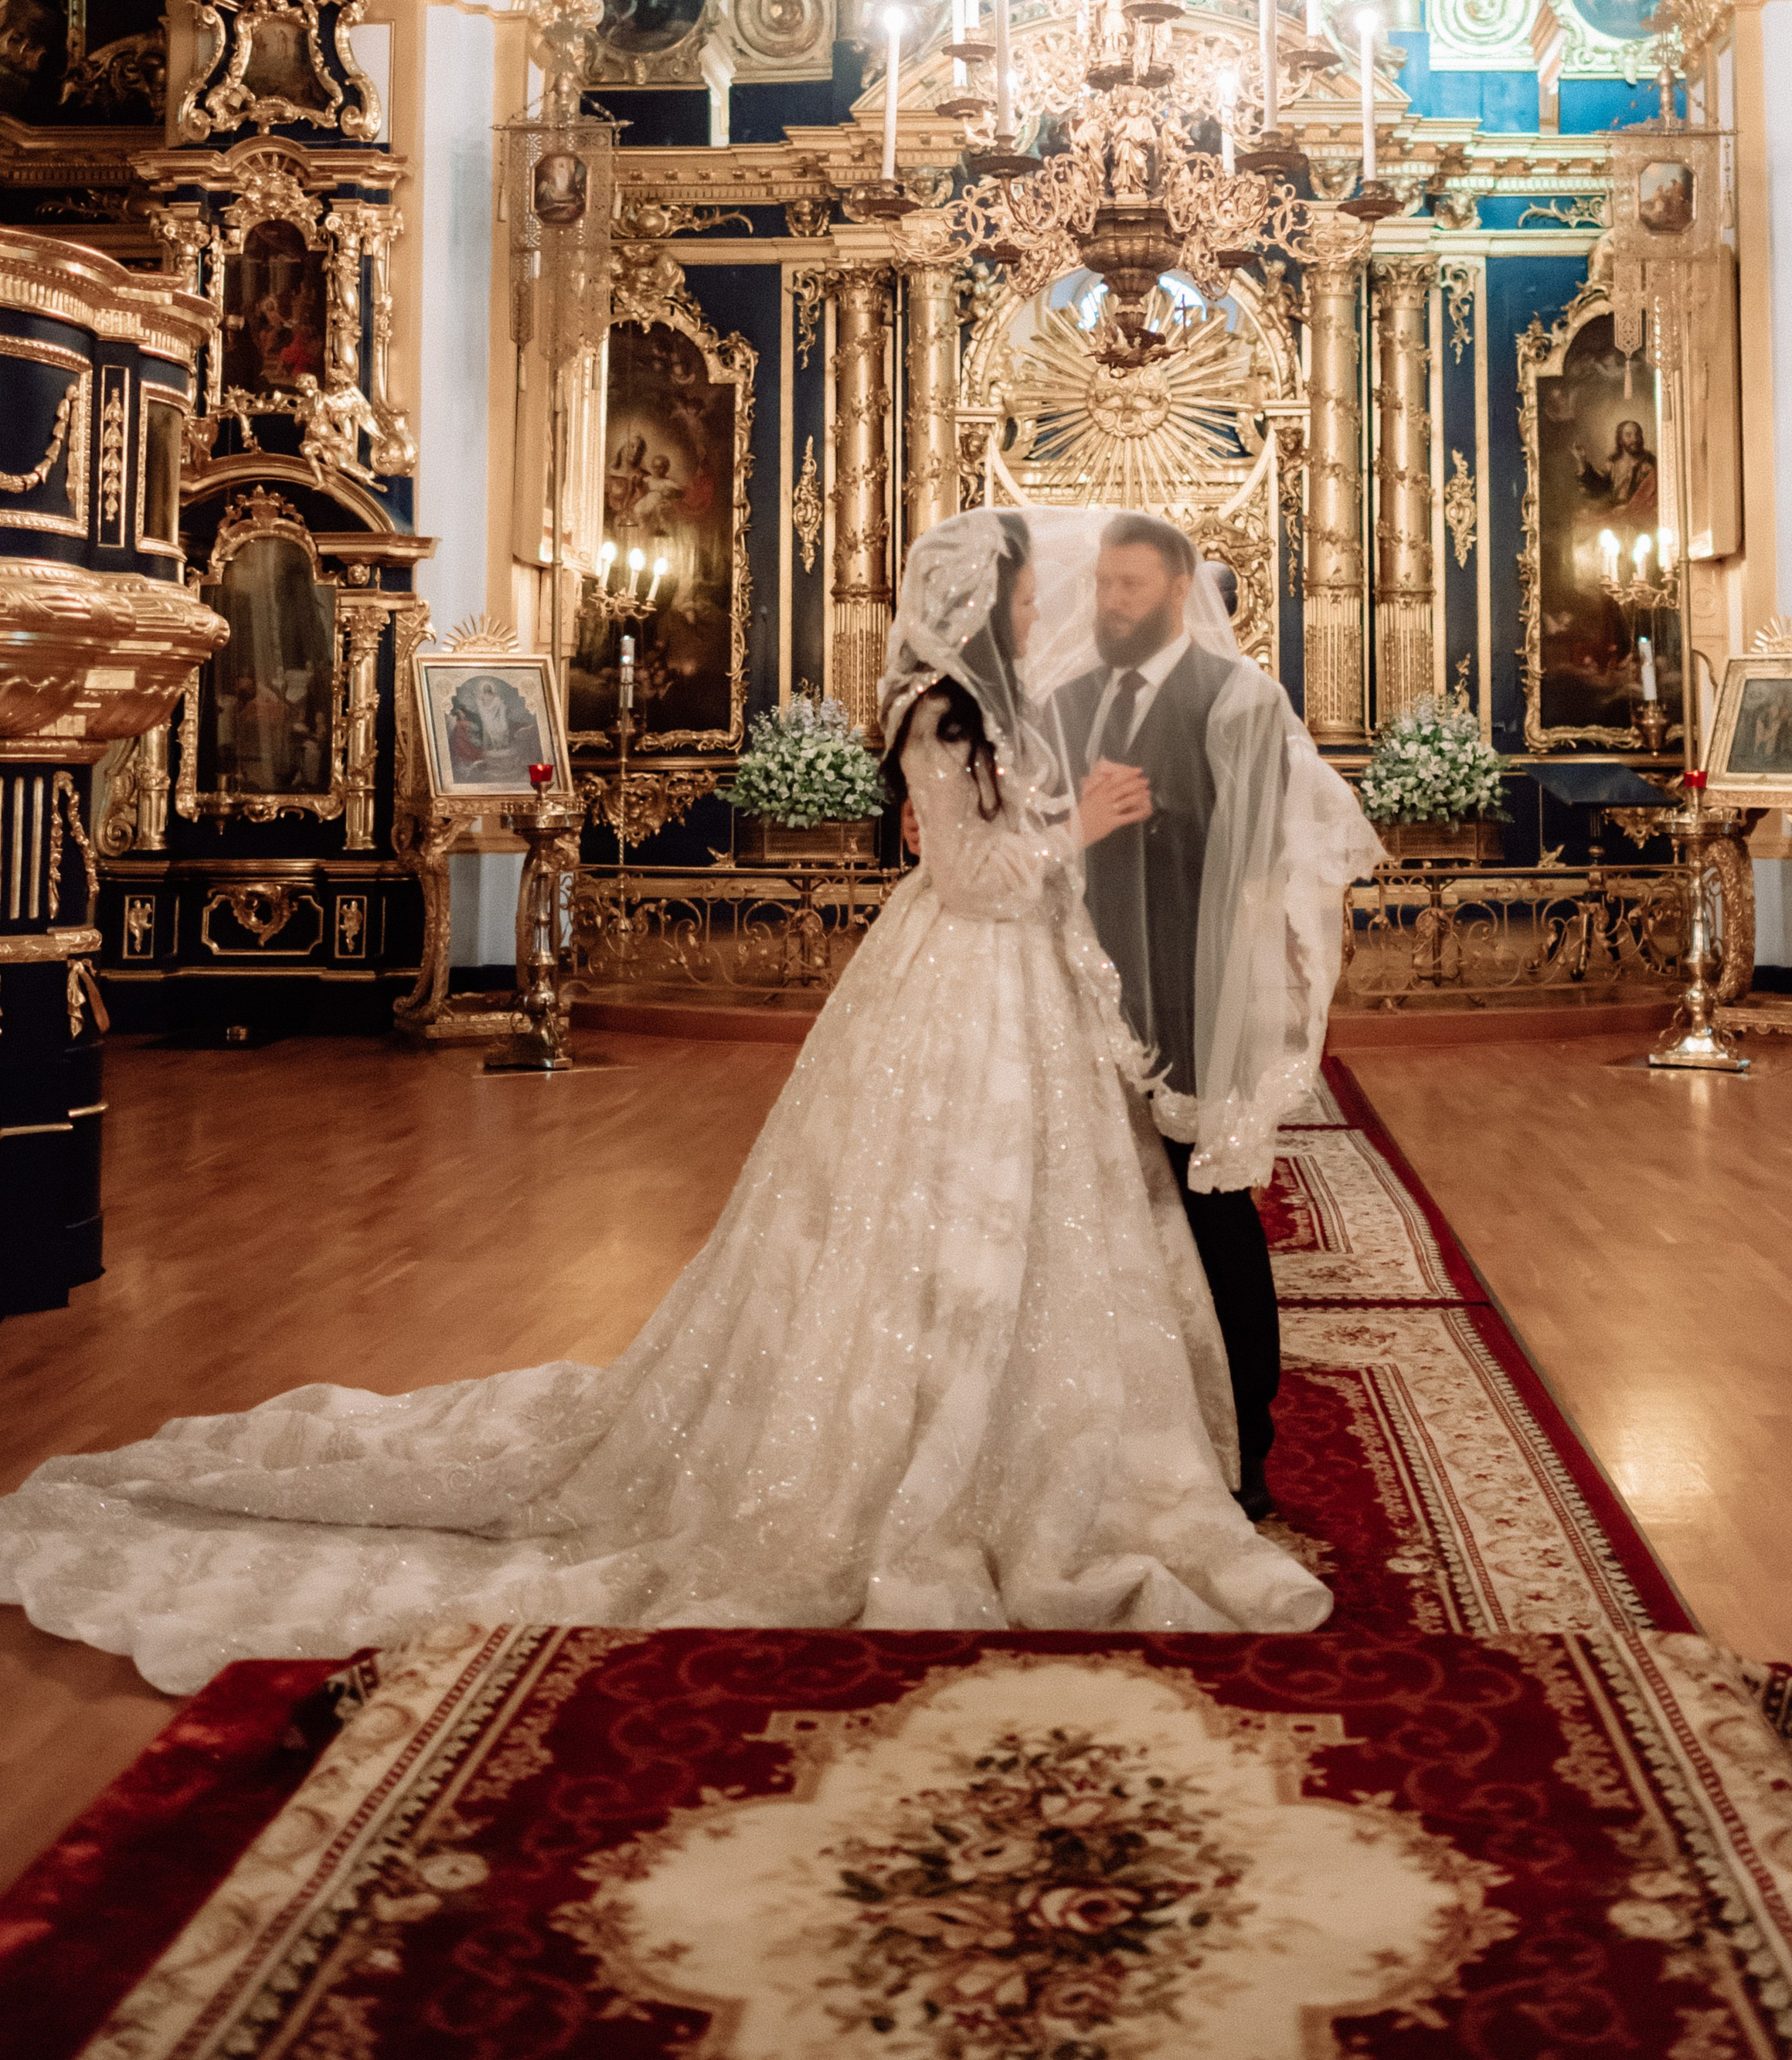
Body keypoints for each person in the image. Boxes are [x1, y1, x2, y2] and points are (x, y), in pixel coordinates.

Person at [0, 508, 1328, 1697]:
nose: (1044, 613)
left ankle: (1041, 1432)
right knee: (924, 1214)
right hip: (965, 977)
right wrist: (1081, 830)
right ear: (981, 603)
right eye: (1029, 596)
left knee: (1036, 1218)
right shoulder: (940, 714)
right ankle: (920, 1444)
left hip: (1017, 990)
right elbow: (983, 878)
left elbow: (1005, 854)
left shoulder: (996, 708)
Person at [1052, 515, 1385, 1516]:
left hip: (1199, 1000)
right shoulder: (1065, 702)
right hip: (1077, 993)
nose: (1111, 603)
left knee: (1214, 1218)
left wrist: (1167, 816)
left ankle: (1246, 1446)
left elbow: (1270, 858)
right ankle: (1103, 1433)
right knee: (1090, 1214)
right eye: (1104, 584)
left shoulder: (1242, 699)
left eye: (1133, 586)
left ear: (1182, 588)